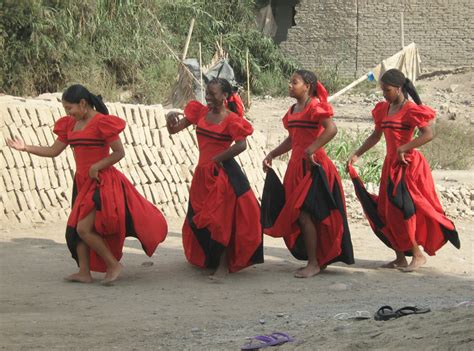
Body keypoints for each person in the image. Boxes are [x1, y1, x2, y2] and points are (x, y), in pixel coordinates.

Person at [6, 84, 168, 284]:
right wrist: (25, 148)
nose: (68, 113)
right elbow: (53, 151)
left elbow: (119, 152)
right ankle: (84, 272)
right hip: (82, 183)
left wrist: (97, 166)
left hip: (101, 182)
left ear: (83, 103)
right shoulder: (70, 125)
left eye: (70, 108)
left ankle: (113, 264)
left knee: (83, 228)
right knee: (76, 228)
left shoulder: (102, 123)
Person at [346, 68, 460, 271]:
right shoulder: (384, 108)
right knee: (387, 210)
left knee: (403, 208)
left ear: (398, 89)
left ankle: (417, 254)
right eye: (383, 90)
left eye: (387, 90)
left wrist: (404, 148)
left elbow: (428, 134)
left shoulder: (410, 110)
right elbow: (376, 136)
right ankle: (399, 257)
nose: (384, 94)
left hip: (407, 165)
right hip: (390, 164)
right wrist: (357, 154)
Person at [166, 78, 263, 280]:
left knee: (220, 220)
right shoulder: (200, 113)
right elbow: (174, 130)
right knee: (199, 218)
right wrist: (169, 120)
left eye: (213, 94)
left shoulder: (232, 120)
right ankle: (212, 259)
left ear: (225, 96)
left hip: (222, 174)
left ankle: (223, 267)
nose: (208, 98)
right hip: (203, 174)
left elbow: (241, 145)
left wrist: (218, 158)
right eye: (207, 94)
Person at [261, 70, 354, 278]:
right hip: (296, 168)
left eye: (294, 82)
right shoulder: (293, 109)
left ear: (308, 86)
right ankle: (317, 259)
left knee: (305, 215)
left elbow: (331, 129)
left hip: (314, 167)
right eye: (290, 81)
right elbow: (292, 139)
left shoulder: (315, 107)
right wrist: (272, 154)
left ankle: (313, 263)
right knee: (303, 215)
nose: (290, 85)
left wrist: (312, 149)